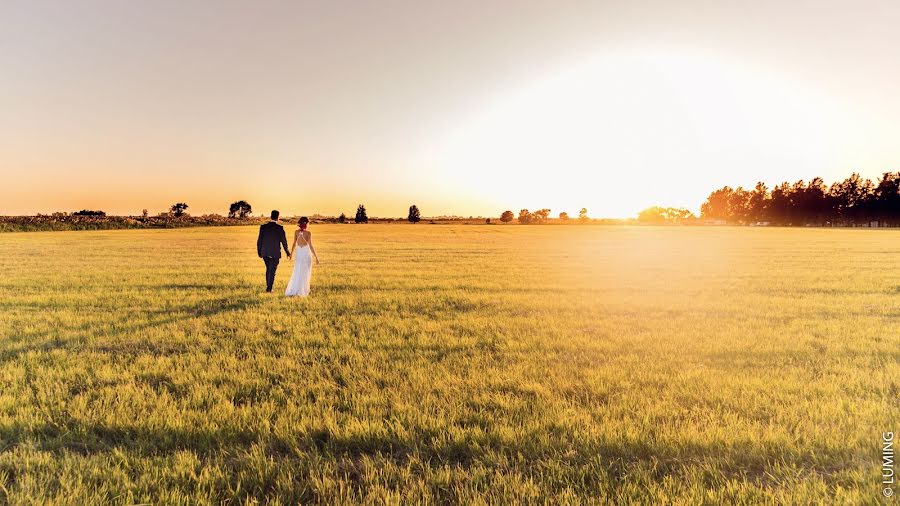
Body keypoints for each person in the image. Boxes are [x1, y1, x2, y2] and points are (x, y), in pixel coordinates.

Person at [285, 216, 320, 297]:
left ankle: (297, 289)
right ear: (306, 224)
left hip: (299, 253)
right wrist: (316, 257)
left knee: (298, 270)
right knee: (305, 271)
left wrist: (291, 254)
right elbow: (310, 245)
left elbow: (294, 243)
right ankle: (303, 290)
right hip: (306, 253)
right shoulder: (308, 233)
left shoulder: (296, 232)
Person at [257, 210, 290, 292]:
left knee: (268, 269)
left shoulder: (263, 227)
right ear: (278, 217)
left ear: (271, 216)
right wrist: (287, 252)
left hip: (265, 252)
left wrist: (259, 252)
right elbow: (284, 241)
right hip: (275, 253)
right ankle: (269, 289)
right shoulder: (280, 228)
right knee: (272, 271)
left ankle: (268, 287)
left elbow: (259, 240)